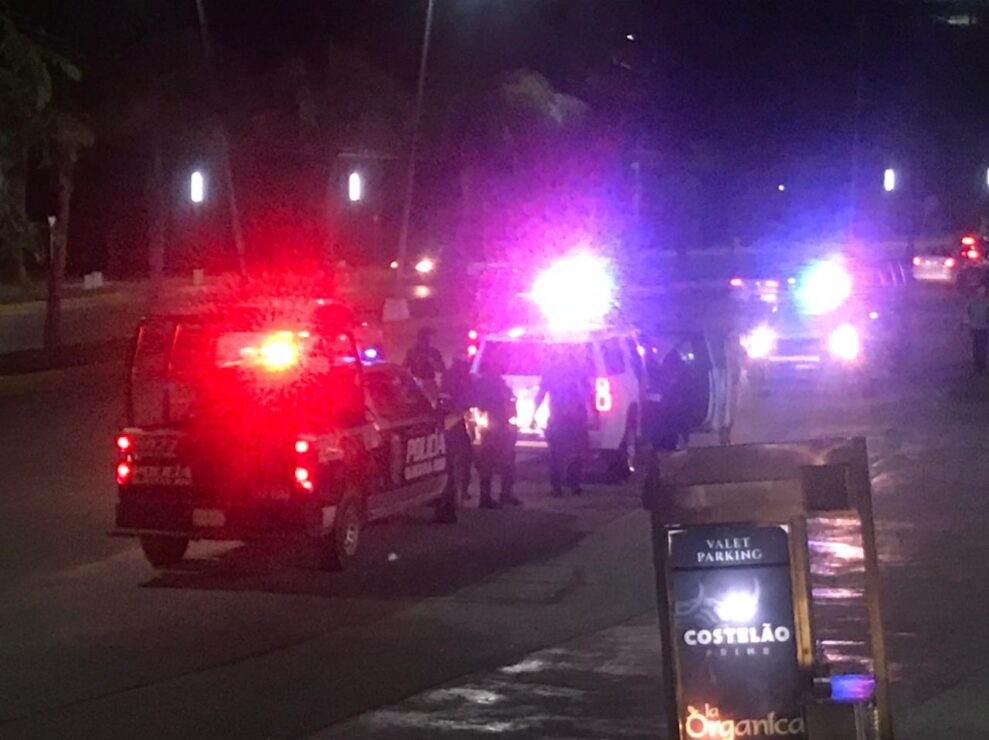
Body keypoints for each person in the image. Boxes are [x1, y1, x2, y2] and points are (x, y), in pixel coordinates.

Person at [535, 348, 591, 497]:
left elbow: (588, 395)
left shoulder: (574, 374)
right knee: (562, 454)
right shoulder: (574, 373)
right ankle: (564, 486)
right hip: (563, 419)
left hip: (569, 419)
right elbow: (541, 394)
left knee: (568, 454)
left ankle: (567, 485)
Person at [472, 357, 521, 508]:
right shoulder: (485, 383)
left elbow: (509, 399)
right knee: (490, 462)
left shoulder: (498, 382)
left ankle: (504, 494)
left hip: (502, 425)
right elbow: (480, 404)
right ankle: (487, 497)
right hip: (494, 427)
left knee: (506, 462)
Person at [441, 359, 474, 502]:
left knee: (449, 461)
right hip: (455, 426)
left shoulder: (446, 384)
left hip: (448, 426)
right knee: (464, 458)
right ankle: (458, 491)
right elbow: (464, 406)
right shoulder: (462, 386)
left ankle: (450, 491)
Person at [965, 282, 989, 374]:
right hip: (976, 327)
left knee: (981, 346)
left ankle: (981, 364)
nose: (982, 291)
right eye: (980, 289)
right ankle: (978, 364)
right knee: (977, 346)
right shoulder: (973, 302)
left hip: (982, 327)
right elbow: (968, 313)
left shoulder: (986, 302)